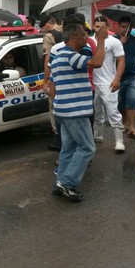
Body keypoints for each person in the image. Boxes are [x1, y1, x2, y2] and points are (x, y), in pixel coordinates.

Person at [50, 23, 107, 202]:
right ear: (74, 38)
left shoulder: (58, 57)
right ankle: (68, 183)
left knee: (68, 149)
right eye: (84, 35)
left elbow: (52, 85)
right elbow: (97, 63)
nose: (86, 37)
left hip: (62, 110)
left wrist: (59, 102)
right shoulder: (71, 56)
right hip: (75, 111)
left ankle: (61, 182)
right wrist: (102, 40)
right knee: (87, 148)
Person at [91, 16, 126, 153]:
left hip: (108, 82)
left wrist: (117, 79)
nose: (99, 29)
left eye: (102, 26)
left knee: (113, 111)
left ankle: (119, 141)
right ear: (93, 27)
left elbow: (121, 61)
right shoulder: (89, 41)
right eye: (97, 26)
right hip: (93, 82)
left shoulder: (114, 42)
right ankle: (97, 135)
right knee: (96, 111)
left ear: (109, 27)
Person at [114, 16, 135, 139]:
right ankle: (124, 123)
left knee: (132, 100)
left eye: (128, 27)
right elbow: (108, 59)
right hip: (118, 78)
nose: (125, 30)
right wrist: (119, 44)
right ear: (118, 26)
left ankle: (132, 127)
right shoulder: (113, 41)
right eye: (123, 27)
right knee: (121, 103)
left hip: (133, 76)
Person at [40, 14, 63, 151]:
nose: (42, 30)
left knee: (54, 107)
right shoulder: (67, 30)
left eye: (42, 28)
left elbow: (48, 61)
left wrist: (46, 81)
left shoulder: (49, 36)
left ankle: (60, 139)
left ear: (47, 25)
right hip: (69, 77)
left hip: (56, 78)